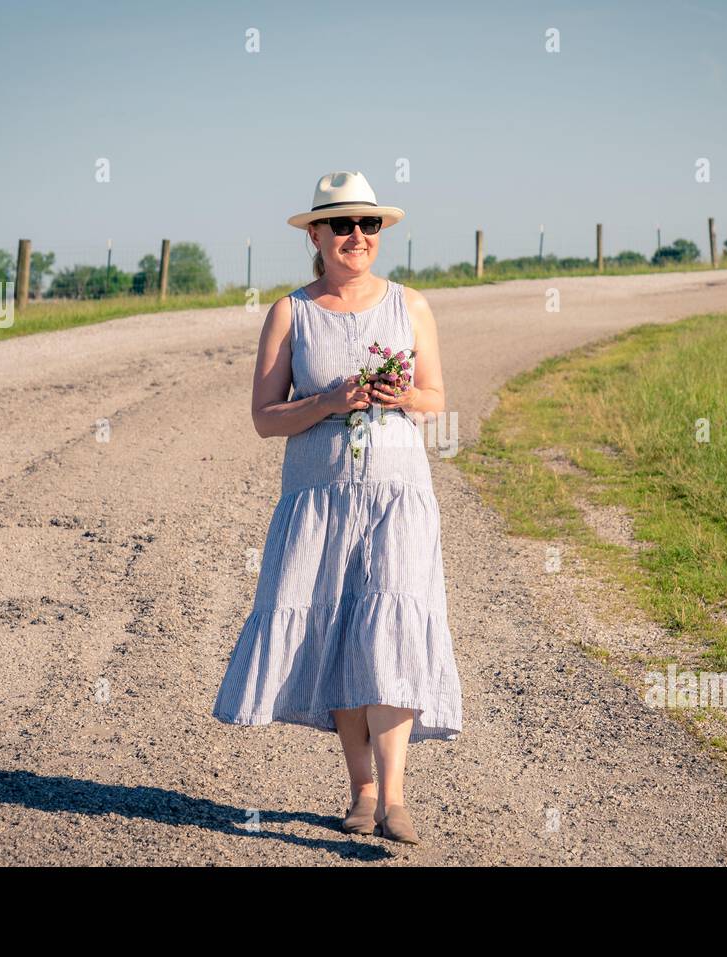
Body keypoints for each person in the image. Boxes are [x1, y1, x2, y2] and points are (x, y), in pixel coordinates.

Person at [211, 171, 462, 845]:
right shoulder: (291, 312)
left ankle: (398, 797)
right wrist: (327, 401)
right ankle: (361, 790)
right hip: (320, 503)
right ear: (315, 235)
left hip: (399, 496)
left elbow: (436, 397)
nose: (357, 236)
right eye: (343, 225)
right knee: (343, 634)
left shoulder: (412, 307)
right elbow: (266, 418)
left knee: (394, 631)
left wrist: (397, 394)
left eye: (369, 225)